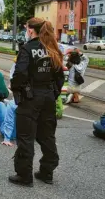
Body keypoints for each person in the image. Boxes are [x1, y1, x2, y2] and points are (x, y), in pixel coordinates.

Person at [8, 17, 64, 187]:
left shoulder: (27, 48)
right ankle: (47, 172)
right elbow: (59, 77)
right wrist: (52, 93)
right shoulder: (52, 48)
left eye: (26, 28)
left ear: (31, 30)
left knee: (25, 136)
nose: (26, 31)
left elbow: (20, 75)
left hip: (30, 97)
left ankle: (24, 175)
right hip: (48, 96)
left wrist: (17, 88)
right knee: (47, 136)